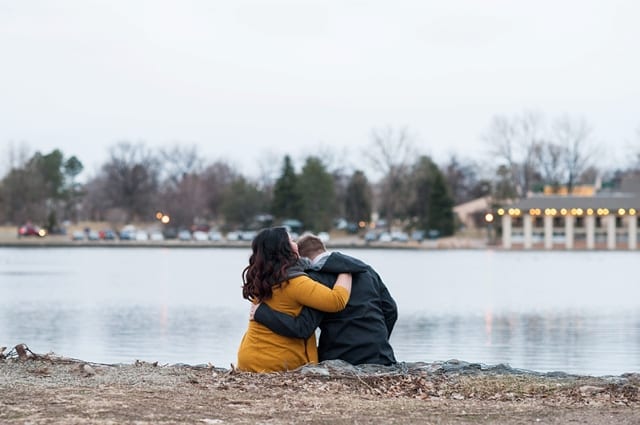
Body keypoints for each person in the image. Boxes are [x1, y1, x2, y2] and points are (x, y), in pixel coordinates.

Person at [252, 233, 397, 366]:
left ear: (304, 258)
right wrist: (378, 341)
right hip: (381, 355)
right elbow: (391, 310)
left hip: (341, 357)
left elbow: (303, 327)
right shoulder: (365, 270)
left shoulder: (315, 279)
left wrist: (262, 313)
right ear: (322, 249)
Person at [236, 227, 352, 372]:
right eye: (291, 240)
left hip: (249, 357)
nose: (296, 243)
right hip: (275, 361)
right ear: (284, 248)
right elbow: (337, 301)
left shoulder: (263, 278)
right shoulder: (294, 282)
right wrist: (346, 270)